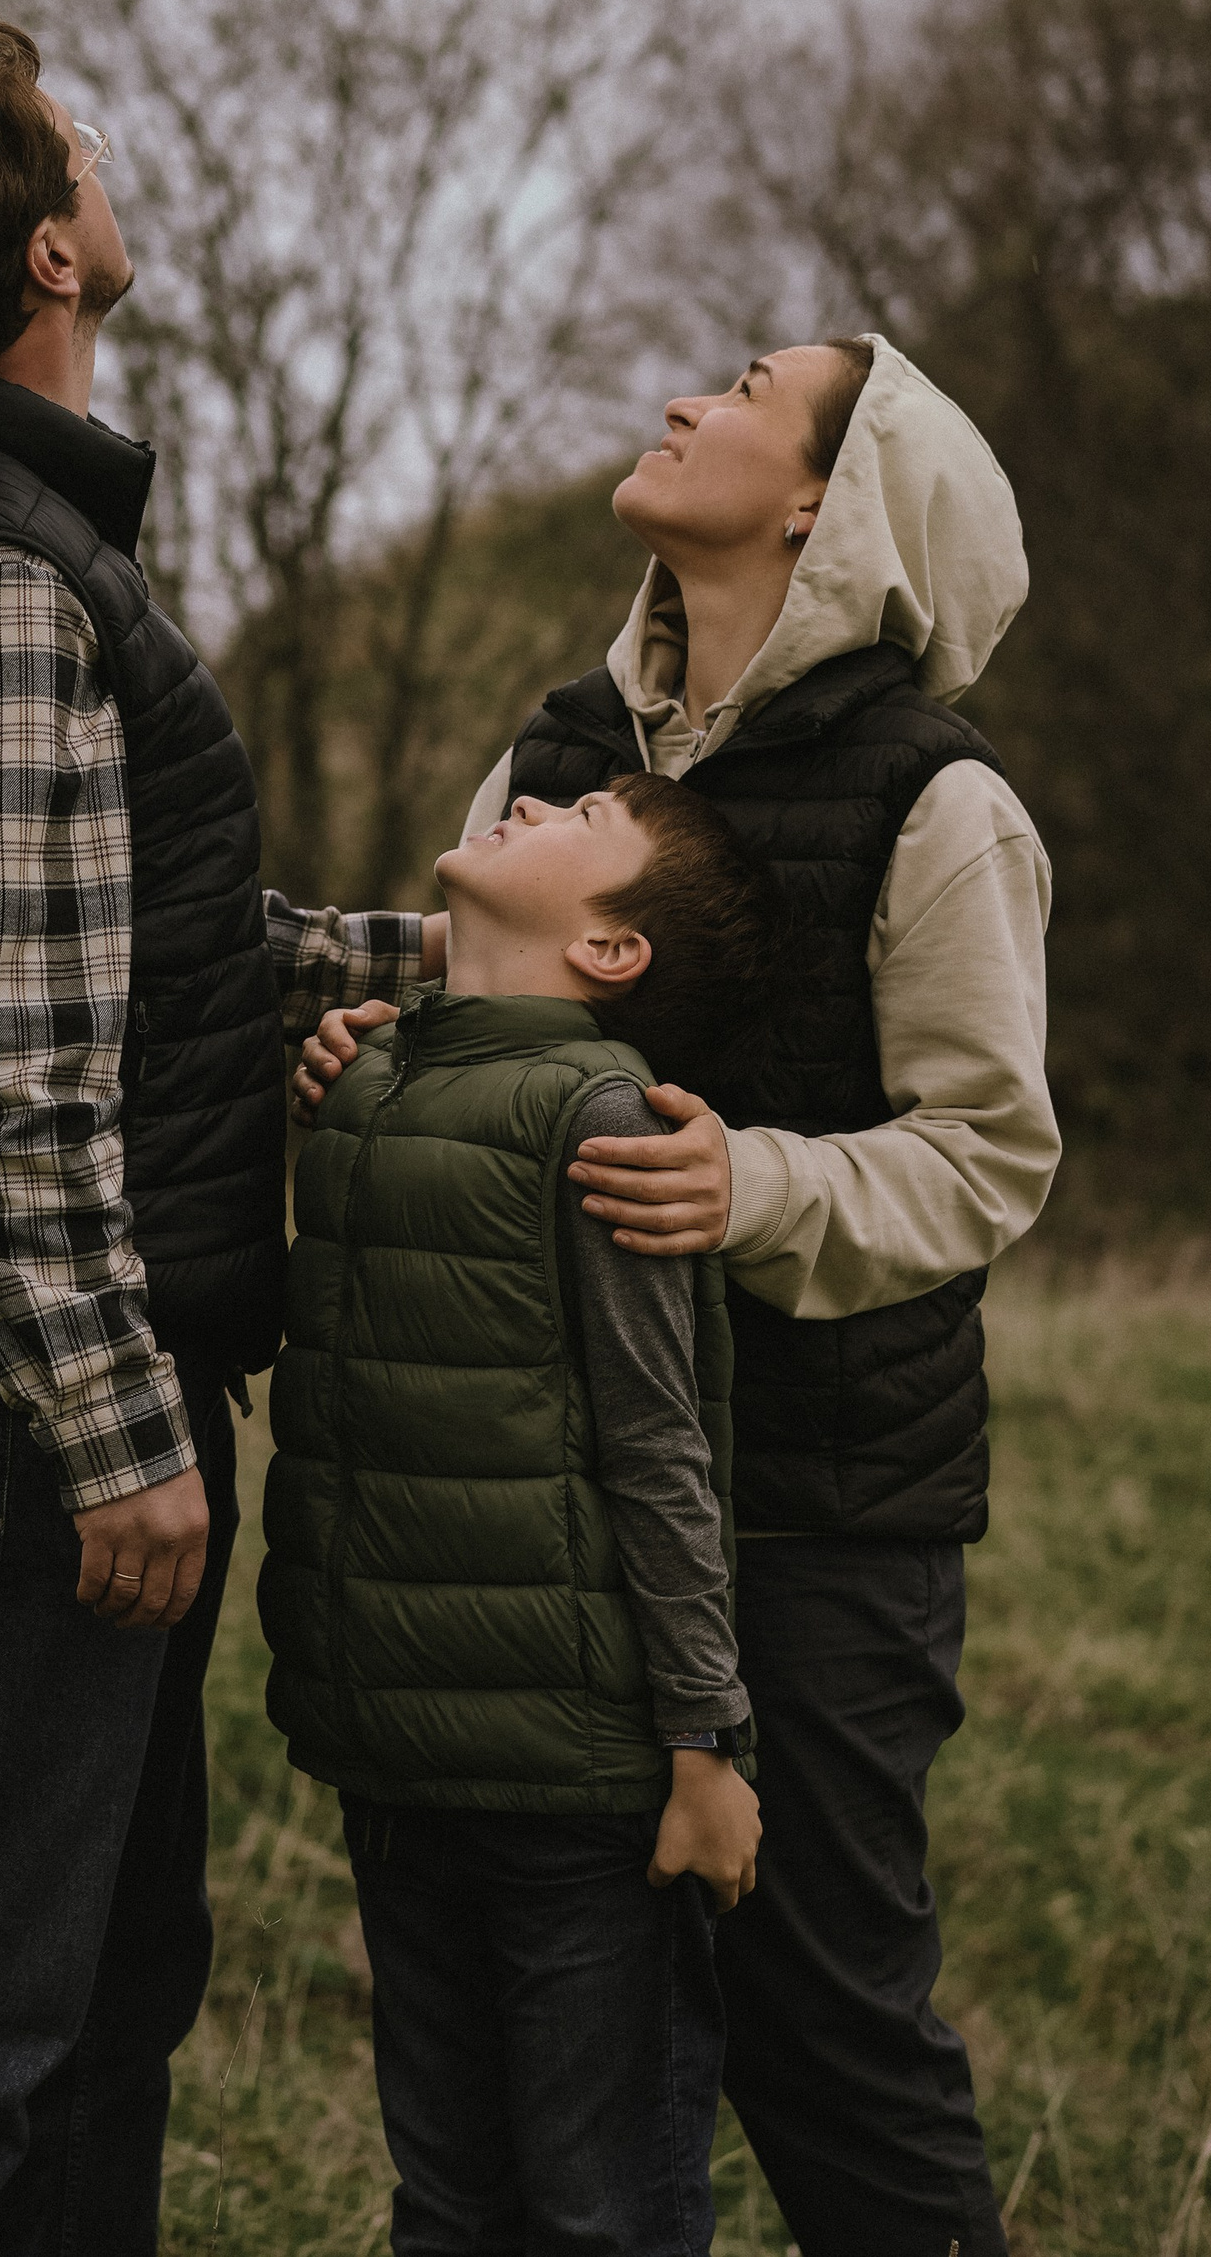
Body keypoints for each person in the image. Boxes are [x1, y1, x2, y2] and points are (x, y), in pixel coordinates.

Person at [0, 5, 431, 2255]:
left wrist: (431, 971)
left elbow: (120, 934)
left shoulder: (3, 527)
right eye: (85, 140)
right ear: (52, 249)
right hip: (11, 1390)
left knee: (103, 1997)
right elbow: (9, 1076)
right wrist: (120, 1426)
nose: (114, 159)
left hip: (25, 1372)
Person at [297, 332, 1057, 2257]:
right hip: (559, 1533)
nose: (685, 394)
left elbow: (990, 1152)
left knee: (818, 2027)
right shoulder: (560, 754)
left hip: (819, 1500)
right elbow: (499, 1023)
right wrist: (379, 1057)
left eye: (745, 383)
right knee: (558, 2062)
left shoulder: (941, 801)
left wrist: (753, 1182)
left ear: (827, 496)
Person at [264, 767, 775, 2257]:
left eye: (584, 819)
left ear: (612, 950)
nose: (537, 794)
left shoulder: (600, 1114)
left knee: (600, 2211)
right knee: (452, 2200)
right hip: (404, 1766)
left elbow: (660, 1447)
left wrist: (705, 1742)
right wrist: (347, 1064)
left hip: (581, 1793)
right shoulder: (368, 1074)